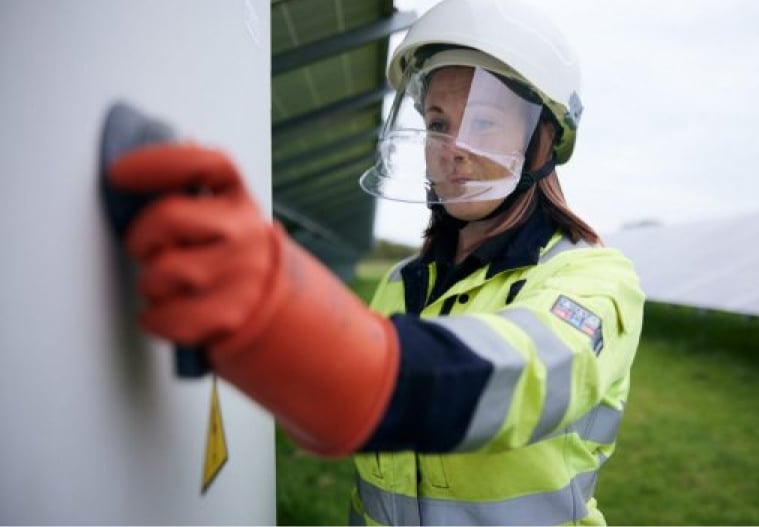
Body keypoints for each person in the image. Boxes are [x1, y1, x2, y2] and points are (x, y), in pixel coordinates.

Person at [107, 0, 644, 524]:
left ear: (542, 141)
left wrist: (288, 322)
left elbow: (523, 376)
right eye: (437, 122)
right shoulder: (401, 282)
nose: (452, 146)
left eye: (482, 123)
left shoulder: (594, 278)